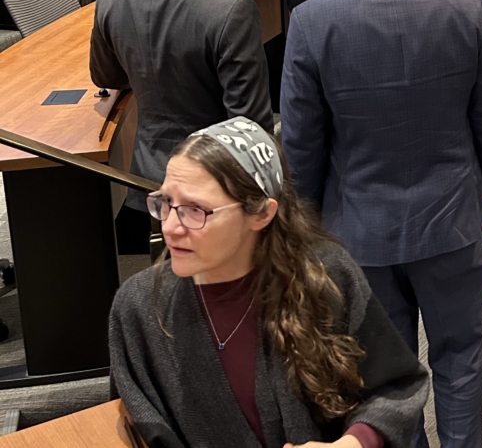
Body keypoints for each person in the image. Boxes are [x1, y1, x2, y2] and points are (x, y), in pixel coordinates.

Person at [280, 0, 482, 448]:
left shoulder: (312, 22)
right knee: (461, 361)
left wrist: (305, 233)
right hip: (453, 224)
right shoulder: (467, 2)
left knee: (384, 377)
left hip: (358, 238)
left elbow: (302, 143)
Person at [109, 117, 429, 448]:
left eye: (195, 210)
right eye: (165, 203)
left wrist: (353, 443)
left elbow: (397, 388)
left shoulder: (326, 277)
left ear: (261, 214)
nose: (171, 227)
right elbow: (129, 429)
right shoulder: (138, 307)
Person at [90, 0, 272, 255]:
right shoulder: (231, 10)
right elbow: (249, 125)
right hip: (214, 193)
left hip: (148, 182)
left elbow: (105, 75)